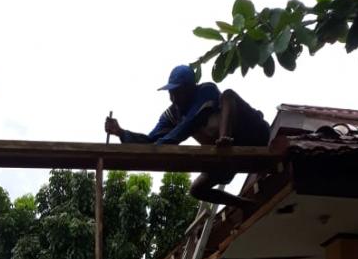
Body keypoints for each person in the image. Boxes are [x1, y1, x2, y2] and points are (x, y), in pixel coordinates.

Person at [105, 64, 271, 210]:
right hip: (227, 160)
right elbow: (150, 141)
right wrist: (121, 132)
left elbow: (189, 124)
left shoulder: (207, 90)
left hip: (254, 135)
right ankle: (245, 205)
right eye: (171, 92)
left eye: (178, 92)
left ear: (190, 88)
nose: (173, 98)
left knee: (228, 95)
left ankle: (224, 138)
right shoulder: (172, 114)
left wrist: (163, 144)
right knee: (197, 190)